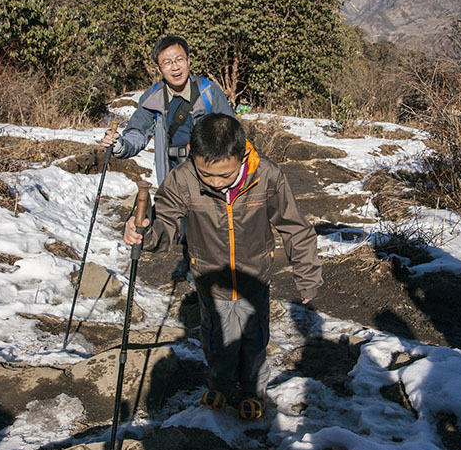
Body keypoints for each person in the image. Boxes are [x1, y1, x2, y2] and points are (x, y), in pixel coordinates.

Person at [123, 113, 322, 421]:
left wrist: (307, 276)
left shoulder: (266, 175)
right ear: (193, 154)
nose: (215, 182)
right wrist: (144, 234)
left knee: (254, 338)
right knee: (216, 337)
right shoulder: (183, 178)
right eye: (207, 174)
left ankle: (252, 391)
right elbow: (165, 222)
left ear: (241, 155)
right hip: (209, 275)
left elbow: (294, 226)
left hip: (254, 275)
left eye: (224, 175)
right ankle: (220, 385)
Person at [102, 34, 234, 185]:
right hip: (171, 178)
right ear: (159, 69)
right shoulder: (152, 98)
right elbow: (138, 132)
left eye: (179, 59)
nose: (175, 67)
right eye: (167, 62)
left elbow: (230, 132)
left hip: (210, 178)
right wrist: (120, 145)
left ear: (188, 61)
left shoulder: (209, 92)